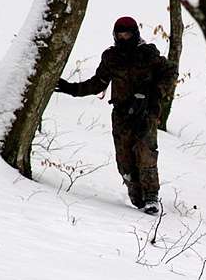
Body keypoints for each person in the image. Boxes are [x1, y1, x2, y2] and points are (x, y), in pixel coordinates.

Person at [55, 16, 177, 214]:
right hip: (121, 114)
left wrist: (154, 93)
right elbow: (98, 83)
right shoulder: (111, 57)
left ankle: (152, 197)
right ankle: (137, 197)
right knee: (124, 160)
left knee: (146, 153)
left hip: (145, 112)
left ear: (135, 33)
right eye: (120, 34)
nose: (123, 37)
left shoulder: (148, 54)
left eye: (127, 33)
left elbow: (170, 71)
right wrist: (72, 88)